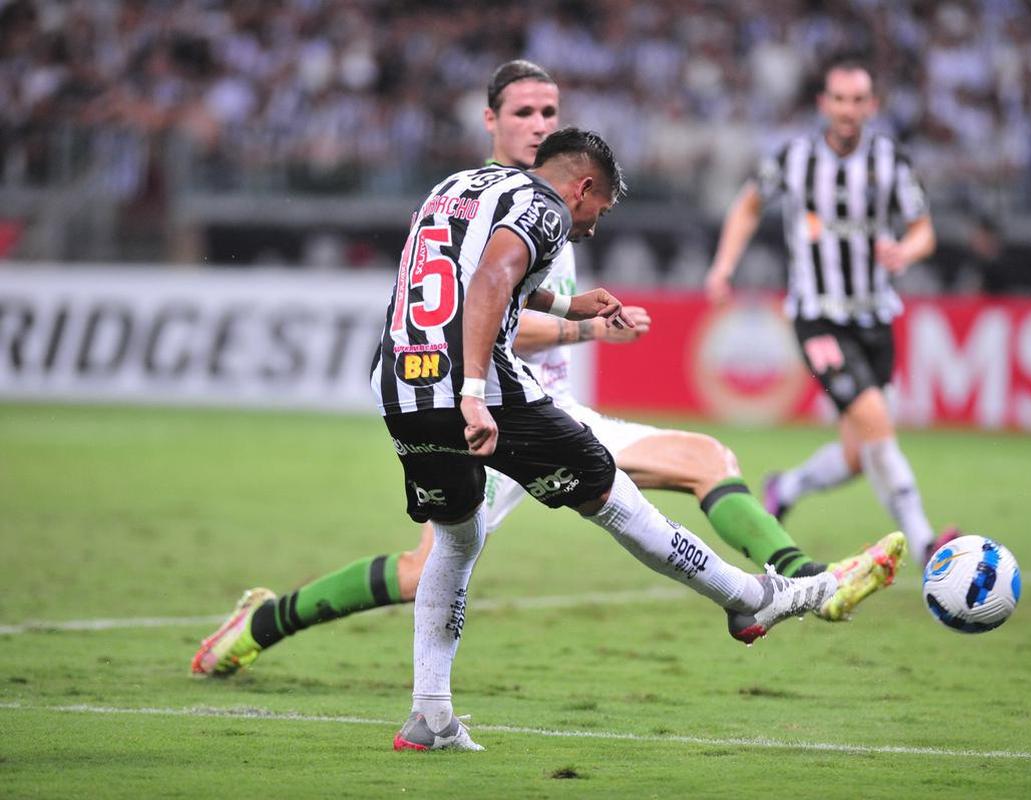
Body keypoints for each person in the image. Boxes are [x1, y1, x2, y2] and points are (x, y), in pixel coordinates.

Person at [192, 62, 902, 687]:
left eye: (548, 113)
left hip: (544, 404)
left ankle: (807, 582)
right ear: (490, 122)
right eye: (523, 113)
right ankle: (264, 623)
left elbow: (519, 294)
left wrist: (569, 304)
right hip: (492, 405)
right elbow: (484, 307)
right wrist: (581, 328)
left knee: (703, 459)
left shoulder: (547, 200)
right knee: (424, 571)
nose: (537, 124)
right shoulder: (489, 203)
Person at [705, 55, 957, 566]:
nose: (847, 110)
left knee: (858, 453)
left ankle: (787, 486)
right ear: (824, 103)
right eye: (838, 99)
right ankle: (929, 543)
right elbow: (749, 204)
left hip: (875, 318)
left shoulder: (891, 162)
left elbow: (923, 229)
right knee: (876, 425)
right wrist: (724, 265)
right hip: (818, 317)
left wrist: (904, 252)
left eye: (857, 100)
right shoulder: (795, 158)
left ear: (873, 105)